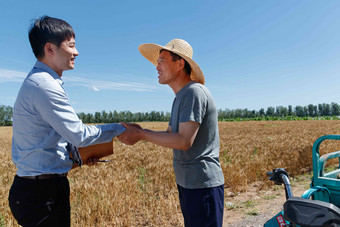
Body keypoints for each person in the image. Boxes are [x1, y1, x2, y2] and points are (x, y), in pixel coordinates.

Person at [8, 15, 134, 227]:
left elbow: (52, 141)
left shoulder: (42, 82)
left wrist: (80, 157)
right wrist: (120, 129)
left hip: (40, 190)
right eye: (71, 45)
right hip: (40, 195)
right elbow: (79, 135)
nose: (76, 52)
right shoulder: (44, 85)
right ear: (50, 49)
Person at [118, 39, 225, 227]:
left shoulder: (194, 92)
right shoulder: (180, 97)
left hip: (202, 185)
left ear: (180, 64)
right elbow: (170, 134)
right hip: (189, 184)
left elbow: (184, 141)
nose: (156, 67)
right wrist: (140, 131)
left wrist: (141, 135)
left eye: (162, 61)